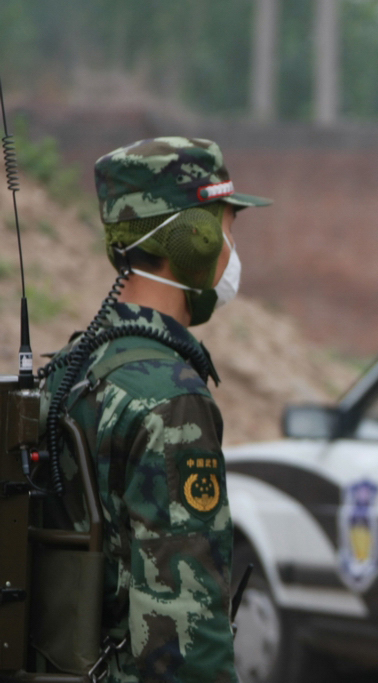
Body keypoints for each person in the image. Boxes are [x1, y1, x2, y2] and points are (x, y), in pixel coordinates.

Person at [38, 137, 270, 683]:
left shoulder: (75, 365)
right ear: (196, 238)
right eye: (227, 229)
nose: (232, 252)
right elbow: (183, 628)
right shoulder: (171, 398)